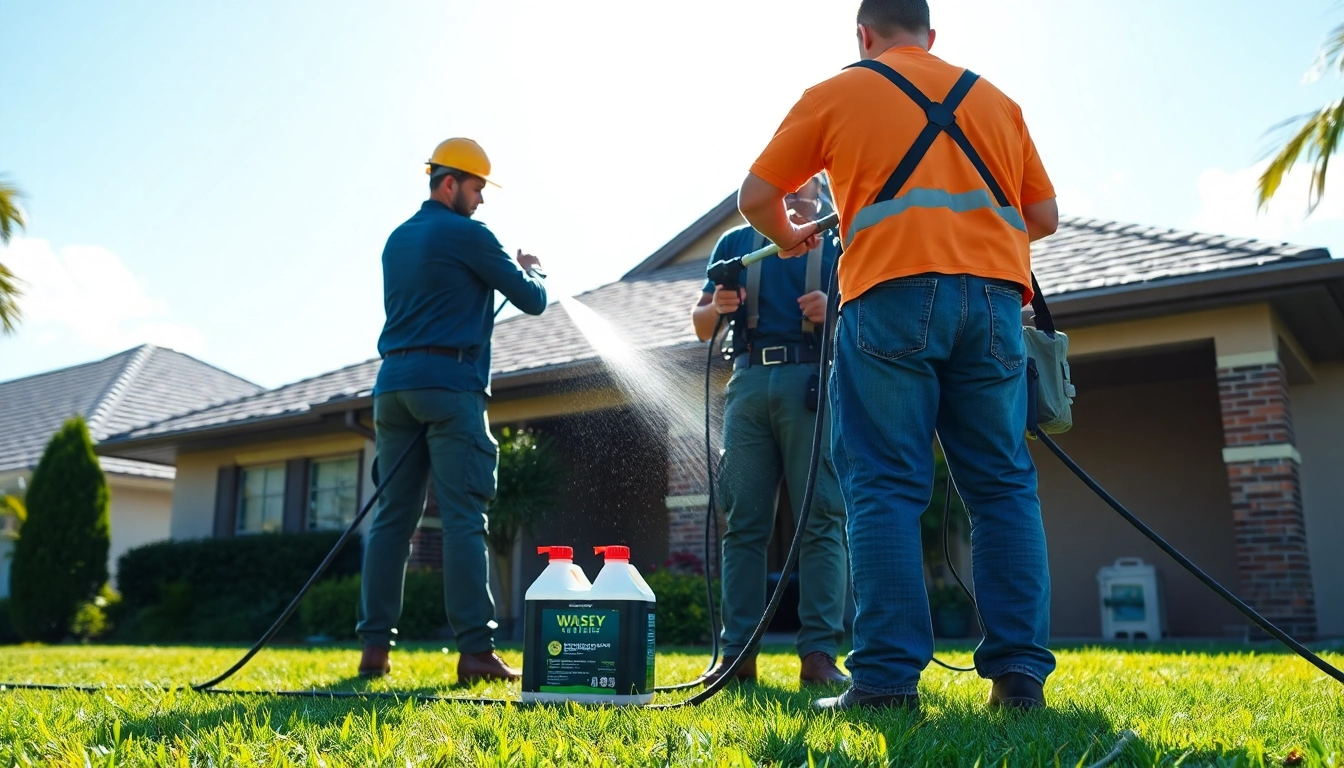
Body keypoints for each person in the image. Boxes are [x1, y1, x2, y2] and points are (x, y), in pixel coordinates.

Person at [737, 0, 1061, 711]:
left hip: (888, 294)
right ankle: (1018, 681)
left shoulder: (838, 92)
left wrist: (791, 235)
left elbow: (757, 196)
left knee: (884, 484)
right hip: (994, 304)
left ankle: (884, 681)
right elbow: (1042, 217)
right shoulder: (997, 101)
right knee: (1004, 487)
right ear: (931, 36)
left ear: (863, 34)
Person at [357, 137, 549, 685]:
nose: (482, 201)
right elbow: (533, 301)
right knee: (466, 517)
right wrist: (532, 271)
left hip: (392, 386)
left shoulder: (397, 239)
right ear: (449, 183)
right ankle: (476, 651)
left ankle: (375, 650)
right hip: (450, 386)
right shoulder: (469, 234)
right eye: (477, 188)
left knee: (392, 519)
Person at [690, 175, 850, 687]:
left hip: (813, 382)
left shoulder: (839, 236)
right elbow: (698, 323)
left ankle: (818, 657)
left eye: (803, 179)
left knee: (822, 517)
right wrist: (718, 306)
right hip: (749, 383)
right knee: (743, 523)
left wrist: (836, 310)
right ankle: (736, 659)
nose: (792, 186)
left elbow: (873, 313)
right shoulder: (735, 243)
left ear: (819, 187)